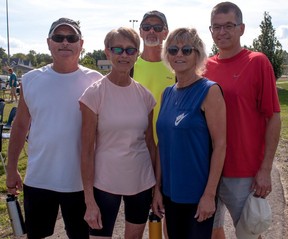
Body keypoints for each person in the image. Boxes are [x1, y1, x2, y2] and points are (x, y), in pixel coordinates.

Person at [5, 17, 103, 239]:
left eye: (72, 38)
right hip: (39, 179)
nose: (65, 43)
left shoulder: (96, 81)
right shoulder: (30, 80)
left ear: (81, 43)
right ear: (49, 43)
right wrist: (12, 168)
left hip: (81, 183)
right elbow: (20, 126)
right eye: (59, 38)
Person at [204, 2, 282, 239]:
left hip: (244, 171)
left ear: (242, 28)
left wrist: (265, 168)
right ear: (210, 31)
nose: (222, 32)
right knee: (212, 229)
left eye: (229, 25)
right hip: (209, 169)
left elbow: (274, 117)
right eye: (216, 27)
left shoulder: (257, 62)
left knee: (249, 232)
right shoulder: (205, 67)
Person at [79, 27, 156, 239]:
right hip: (105, 183)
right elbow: (86, 150)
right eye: (118, 49)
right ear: (107, 52)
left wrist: (157, 188)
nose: (124, 55)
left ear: (137, 54)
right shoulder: (94, 94)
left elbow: (150, 143)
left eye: (131, 50)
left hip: (140, 180)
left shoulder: (145, 96)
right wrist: (89, 200)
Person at [152, 27, 227, 239]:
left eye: (187, 50)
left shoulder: (209, 91)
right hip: (170, 193)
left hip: (197, 195)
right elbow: (161, 144)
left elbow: (220, 145)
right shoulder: (167, 93)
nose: (179, 55)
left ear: (198, 55)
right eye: (173, 50)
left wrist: (209, 195)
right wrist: (157, 189)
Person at [133, 10, 175, 142]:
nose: (151, 31)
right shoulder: (129, 67)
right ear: (140, 32)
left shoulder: (176, 68)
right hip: (137, 147)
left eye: (157, 28)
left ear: (165, 33)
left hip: (168, 144)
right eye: (146, 27)